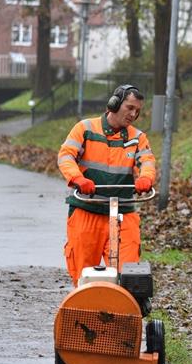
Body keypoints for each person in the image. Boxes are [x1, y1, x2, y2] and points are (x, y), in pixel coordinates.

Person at [57, 84, 156, 286]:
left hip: (123, 213)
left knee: (129, 274)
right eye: (129, 107)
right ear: (114, 104)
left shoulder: (137, 138)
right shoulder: (85, 129)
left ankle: (126, 304)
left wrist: (146, 178)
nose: (133, 114)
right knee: (83, 276)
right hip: (87, 209)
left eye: (137, 111)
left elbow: (147, 161)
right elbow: (66, 156)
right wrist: (78, 179)